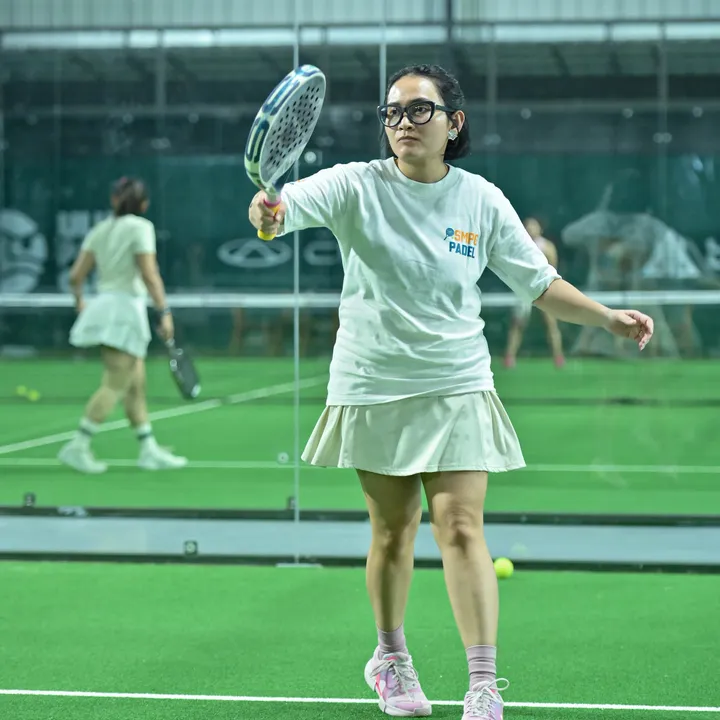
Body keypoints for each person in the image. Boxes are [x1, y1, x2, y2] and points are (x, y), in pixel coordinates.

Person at [249, 64, 653, 720]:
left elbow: (539, 283)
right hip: (375, 383)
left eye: (419, 110)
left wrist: (607, 318)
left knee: (461, 526)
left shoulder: (481, 199)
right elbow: (278, 214)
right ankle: (390, 658)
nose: (402, 123)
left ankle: (484, 686)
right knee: (393, 531)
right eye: (392, 112)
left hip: (458, 380)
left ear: (453, 122)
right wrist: (268, 214)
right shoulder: (355, 184)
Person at [58, 177, 187, 474]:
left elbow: (75, 276)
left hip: (105, 307)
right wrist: (164, 312)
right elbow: (149, 273)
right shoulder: (142, 228)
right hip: (124, 313)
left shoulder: (100, 229)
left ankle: (148, 450)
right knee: (116, 383)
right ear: (144, 204)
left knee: (135, 386)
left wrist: (80, 302)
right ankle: (78, 445)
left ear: (114, 200)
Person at [503, 217, 565, 368]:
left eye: (533, 225)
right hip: (523, 290)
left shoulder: (547, 246)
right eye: (528, 226)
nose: (530, 228)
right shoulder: (518, 245)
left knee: (551, 324)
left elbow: (553, 267)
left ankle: (558, 357)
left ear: (540, 229)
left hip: (544, 290)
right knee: (517, 324)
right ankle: (509, 357)